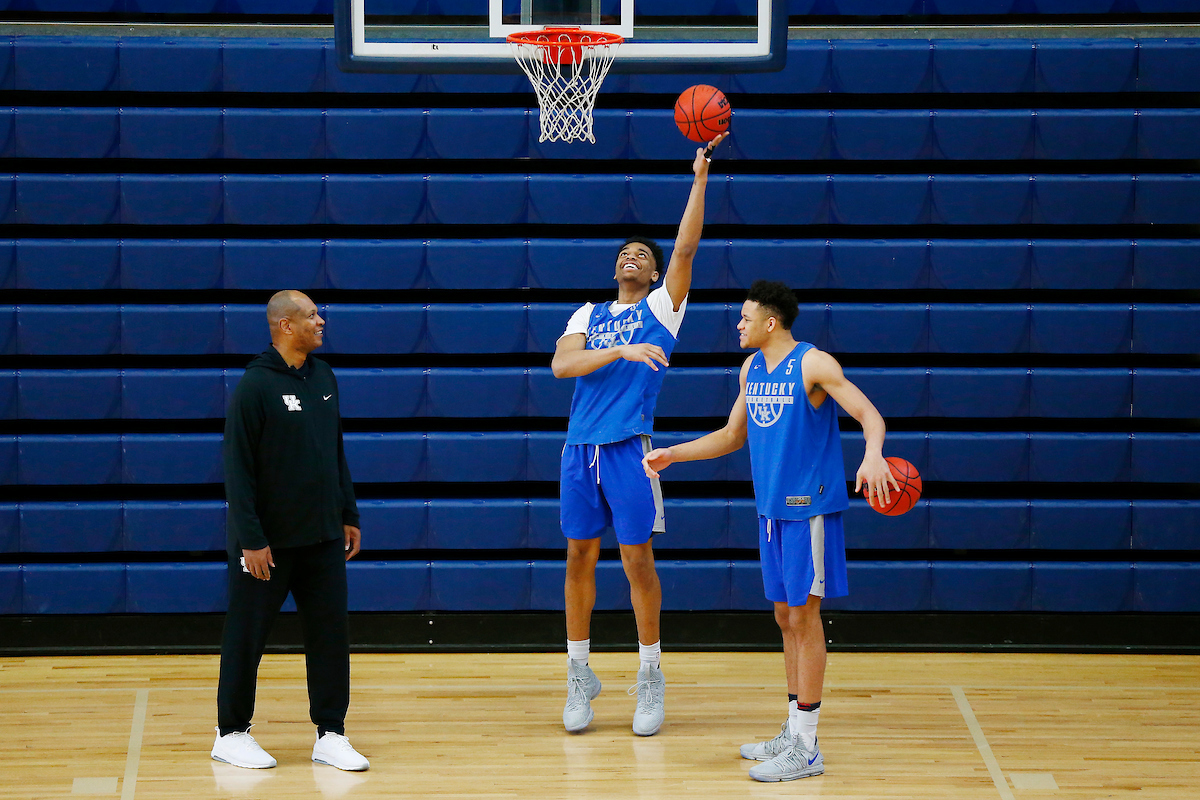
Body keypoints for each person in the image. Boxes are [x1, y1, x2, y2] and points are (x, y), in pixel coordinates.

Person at [642, 280, 896, 781]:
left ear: (770, 322)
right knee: (784, 617)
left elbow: (870, 415)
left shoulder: (813, 363)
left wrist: (872, 455)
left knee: (804, 618)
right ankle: (793, 726)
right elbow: (732, 435)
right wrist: (675, 453)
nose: (738, 325)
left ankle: (807, 746)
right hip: (772, 511)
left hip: (810, 510)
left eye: (744, 317)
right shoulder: (750, 368)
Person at [553, 132, 728, 736]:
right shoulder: (588, 314)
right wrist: (620, 349)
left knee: (636, 560)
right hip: (580, 451)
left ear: (653, 273)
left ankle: (650, 671)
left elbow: (686, 249)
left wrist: (699, 181)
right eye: (623, 251)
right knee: (578, 556)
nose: (631, 256)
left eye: (641, 254)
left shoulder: (662, 309)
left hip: (632, 451)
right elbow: (562, 367)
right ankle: (580, 673)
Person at [213, 290, 369, 772]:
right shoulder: (255, 386)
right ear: (285, 325)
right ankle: (231, 732)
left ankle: (331, 733)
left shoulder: (323, 377)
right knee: (247, 635)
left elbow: (333, 450)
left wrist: (349, 512)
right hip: (269, 545)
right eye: (311, 316)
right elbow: (237, 469)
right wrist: (250, 539)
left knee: (329, 637)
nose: (321, 322)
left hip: (322, 538)